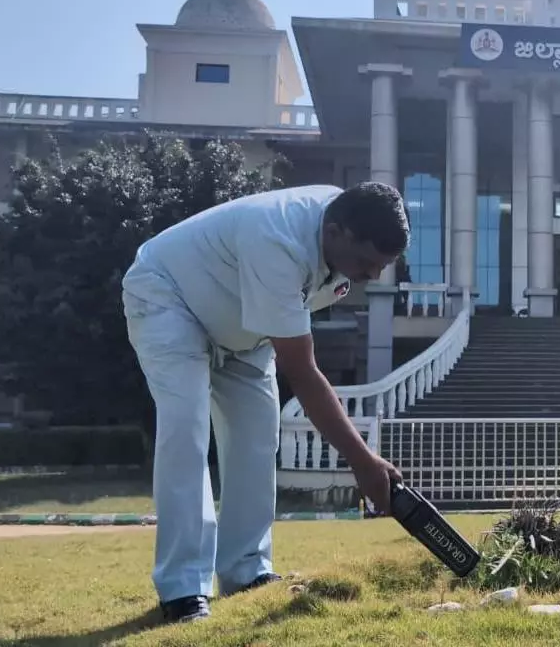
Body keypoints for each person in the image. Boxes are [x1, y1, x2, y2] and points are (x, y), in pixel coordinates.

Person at [120, 181, 410, 624]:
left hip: (243, 329)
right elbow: (304, 373)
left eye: (382, 267)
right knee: (187, 431)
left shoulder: (347, 217)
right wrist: (363, 462)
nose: (370, 276)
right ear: (335, 232)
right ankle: (183, 589)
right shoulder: (278, 239)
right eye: (366, 262)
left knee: (258, 438)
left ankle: (246, 569)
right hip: (168, 299)